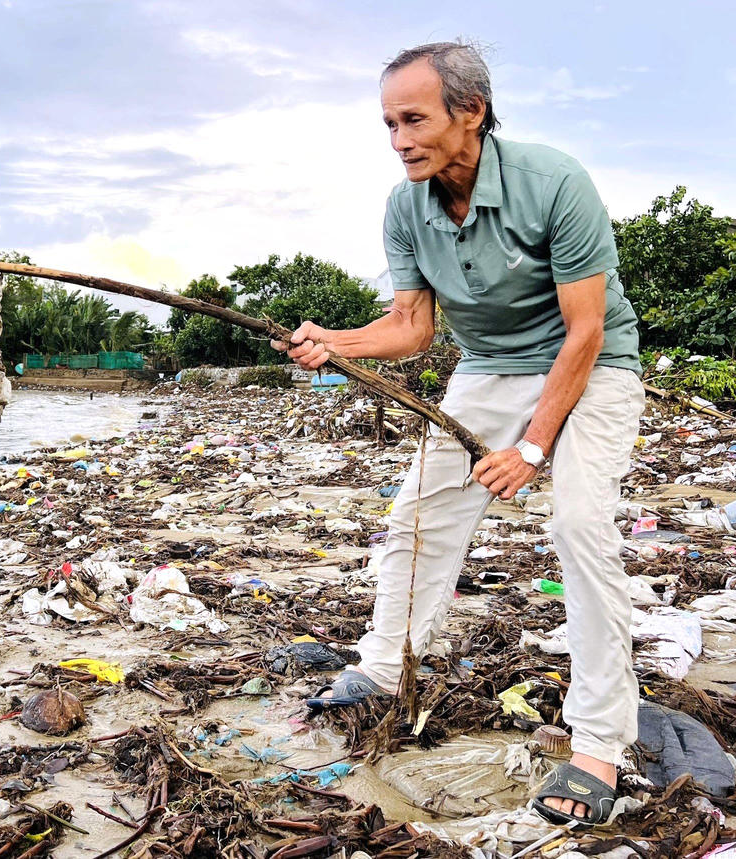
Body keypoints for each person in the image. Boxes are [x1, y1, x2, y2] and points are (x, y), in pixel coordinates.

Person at [273, 41, 644, 827]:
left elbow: (584, 330)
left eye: (413, 120)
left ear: (470, 112)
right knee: (420, 513)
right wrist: (335, 341)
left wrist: (533, 447)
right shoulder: (406, 206)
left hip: (592, 362)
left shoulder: (555, 182)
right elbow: (411, 326)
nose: (399, 140)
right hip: (487, 366)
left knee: (580, 526)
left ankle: (599, 742)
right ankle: (384, 666)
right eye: (389, 124)